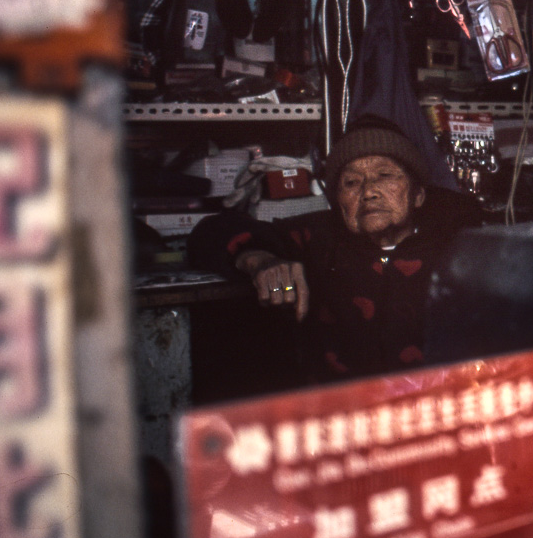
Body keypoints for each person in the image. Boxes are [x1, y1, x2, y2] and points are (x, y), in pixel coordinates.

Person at [188, 114, 483, 383]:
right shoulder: (319, 240)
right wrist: (258, 259)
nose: (368, 192)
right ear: (338, 202)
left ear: (417, 195)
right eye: (351, 182)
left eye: (385, 175)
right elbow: (210, 231)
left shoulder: (458, 247)